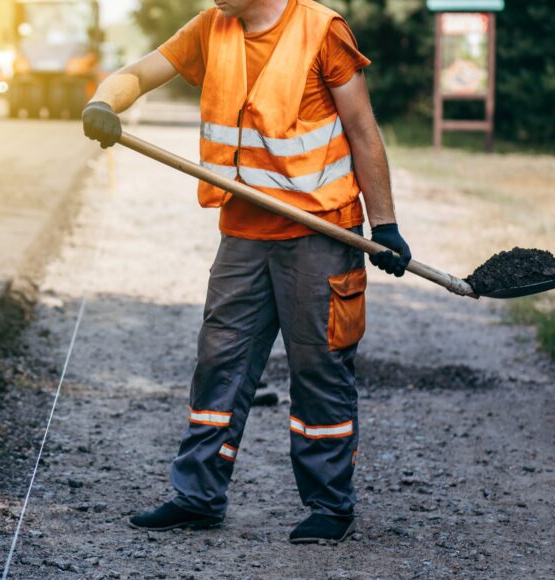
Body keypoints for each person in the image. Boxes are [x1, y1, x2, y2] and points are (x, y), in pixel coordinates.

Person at [81, 0, 412, 543]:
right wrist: (101, 102)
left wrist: (386, 225)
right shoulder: (213, 26)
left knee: (319, 371)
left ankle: (330, 506)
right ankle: (198, 496)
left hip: (320, 235)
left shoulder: (321, 30)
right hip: (242, 236)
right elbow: (137, 74)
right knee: (219, 364)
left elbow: (362, 128)